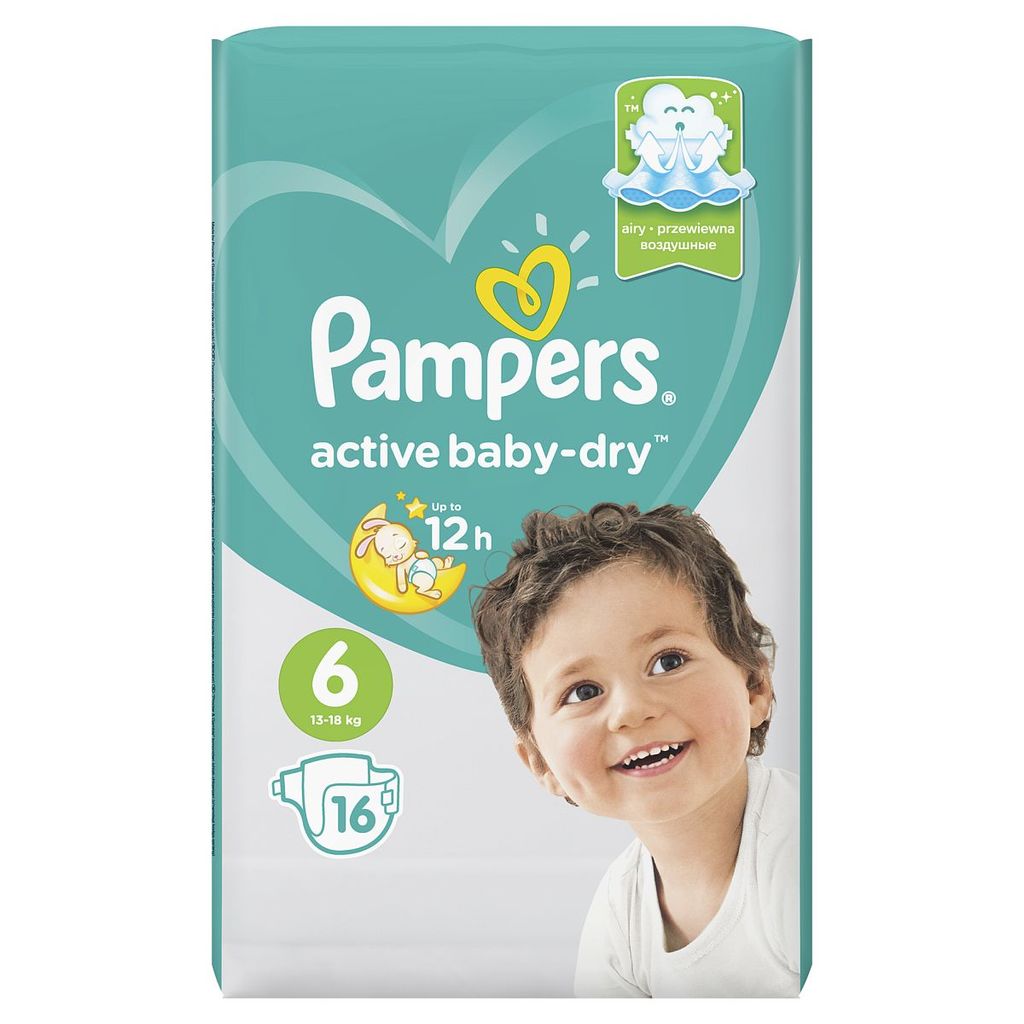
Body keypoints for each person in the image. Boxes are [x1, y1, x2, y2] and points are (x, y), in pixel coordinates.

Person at [471, 502, 799, 997]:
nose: (631, 710)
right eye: (583, 692)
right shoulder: (620, 915)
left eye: (668, 661)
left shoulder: (799, 858)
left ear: (754, 686)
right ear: (541, 763)